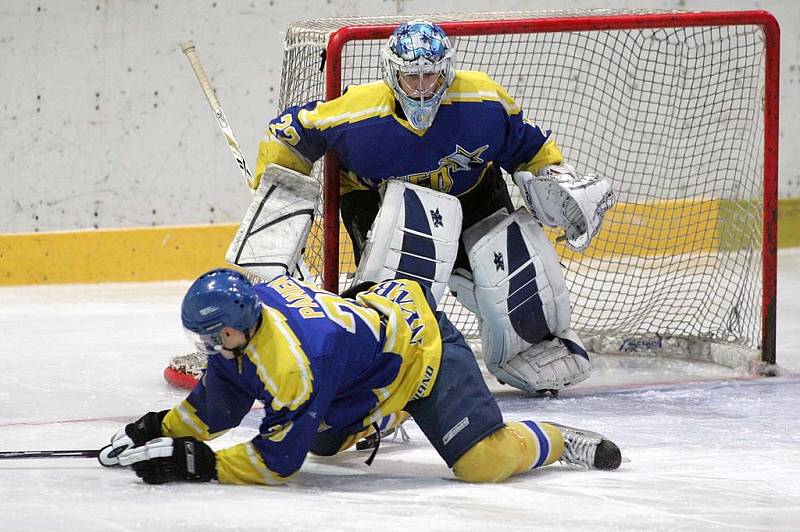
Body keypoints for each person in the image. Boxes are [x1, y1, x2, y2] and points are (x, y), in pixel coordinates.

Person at [248, 20, 616, 395]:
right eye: (412, 76)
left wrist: (552, 177)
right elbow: (289, 133)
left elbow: (530, 148)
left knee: (517, 266)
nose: (423, 87)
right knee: (396, 294)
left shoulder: (483, 101)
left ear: (447, 70)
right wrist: (278, 195)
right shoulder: (356, 114)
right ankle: (379, 366)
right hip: (381, 201)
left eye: (431, 75)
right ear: (393, 74)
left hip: (472, 194)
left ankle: (528, 347)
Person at [100, 268, 621, 485]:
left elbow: (277, 462)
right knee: (324, 444)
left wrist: (201, 464)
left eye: (217, 340)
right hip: (363, 361)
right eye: (204, 341)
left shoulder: (297, 365)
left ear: (240, 325)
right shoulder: (245, 323)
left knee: (482, 464)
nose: (212, 350)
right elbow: (218, 406)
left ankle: (555, 442)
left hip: (420, 352)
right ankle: (383, 414)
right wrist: (157, 429)